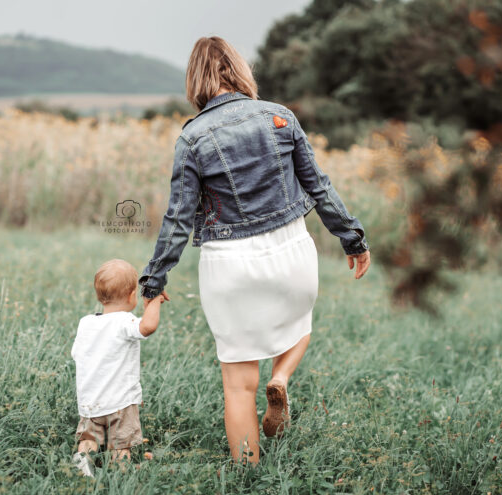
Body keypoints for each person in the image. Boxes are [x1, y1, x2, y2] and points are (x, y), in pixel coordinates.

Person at [138, 36, 371, 465]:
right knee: (300, 326)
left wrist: (154, 280)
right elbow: (319, 186)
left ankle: (249, 478)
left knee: (239, 385)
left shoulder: (192, 138)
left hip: (229, 266)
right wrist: (352, 238)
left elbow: (177, 219)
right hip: (292, 251)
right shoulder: (280, 117)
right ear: (241, 71)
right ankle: (281, 377)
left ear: (196, 81)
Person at [71, 259, 165, 477]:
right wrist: (155, 301)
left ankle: (83, 460)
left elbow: (76, 354)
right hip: (120, 402)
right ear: (132, 295)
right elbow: (148, 327)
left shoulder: (86, 323)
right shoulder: (125, 321)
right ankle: (119, 476)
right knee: (121, 444)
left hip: (89, 401)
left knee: (88, 439)